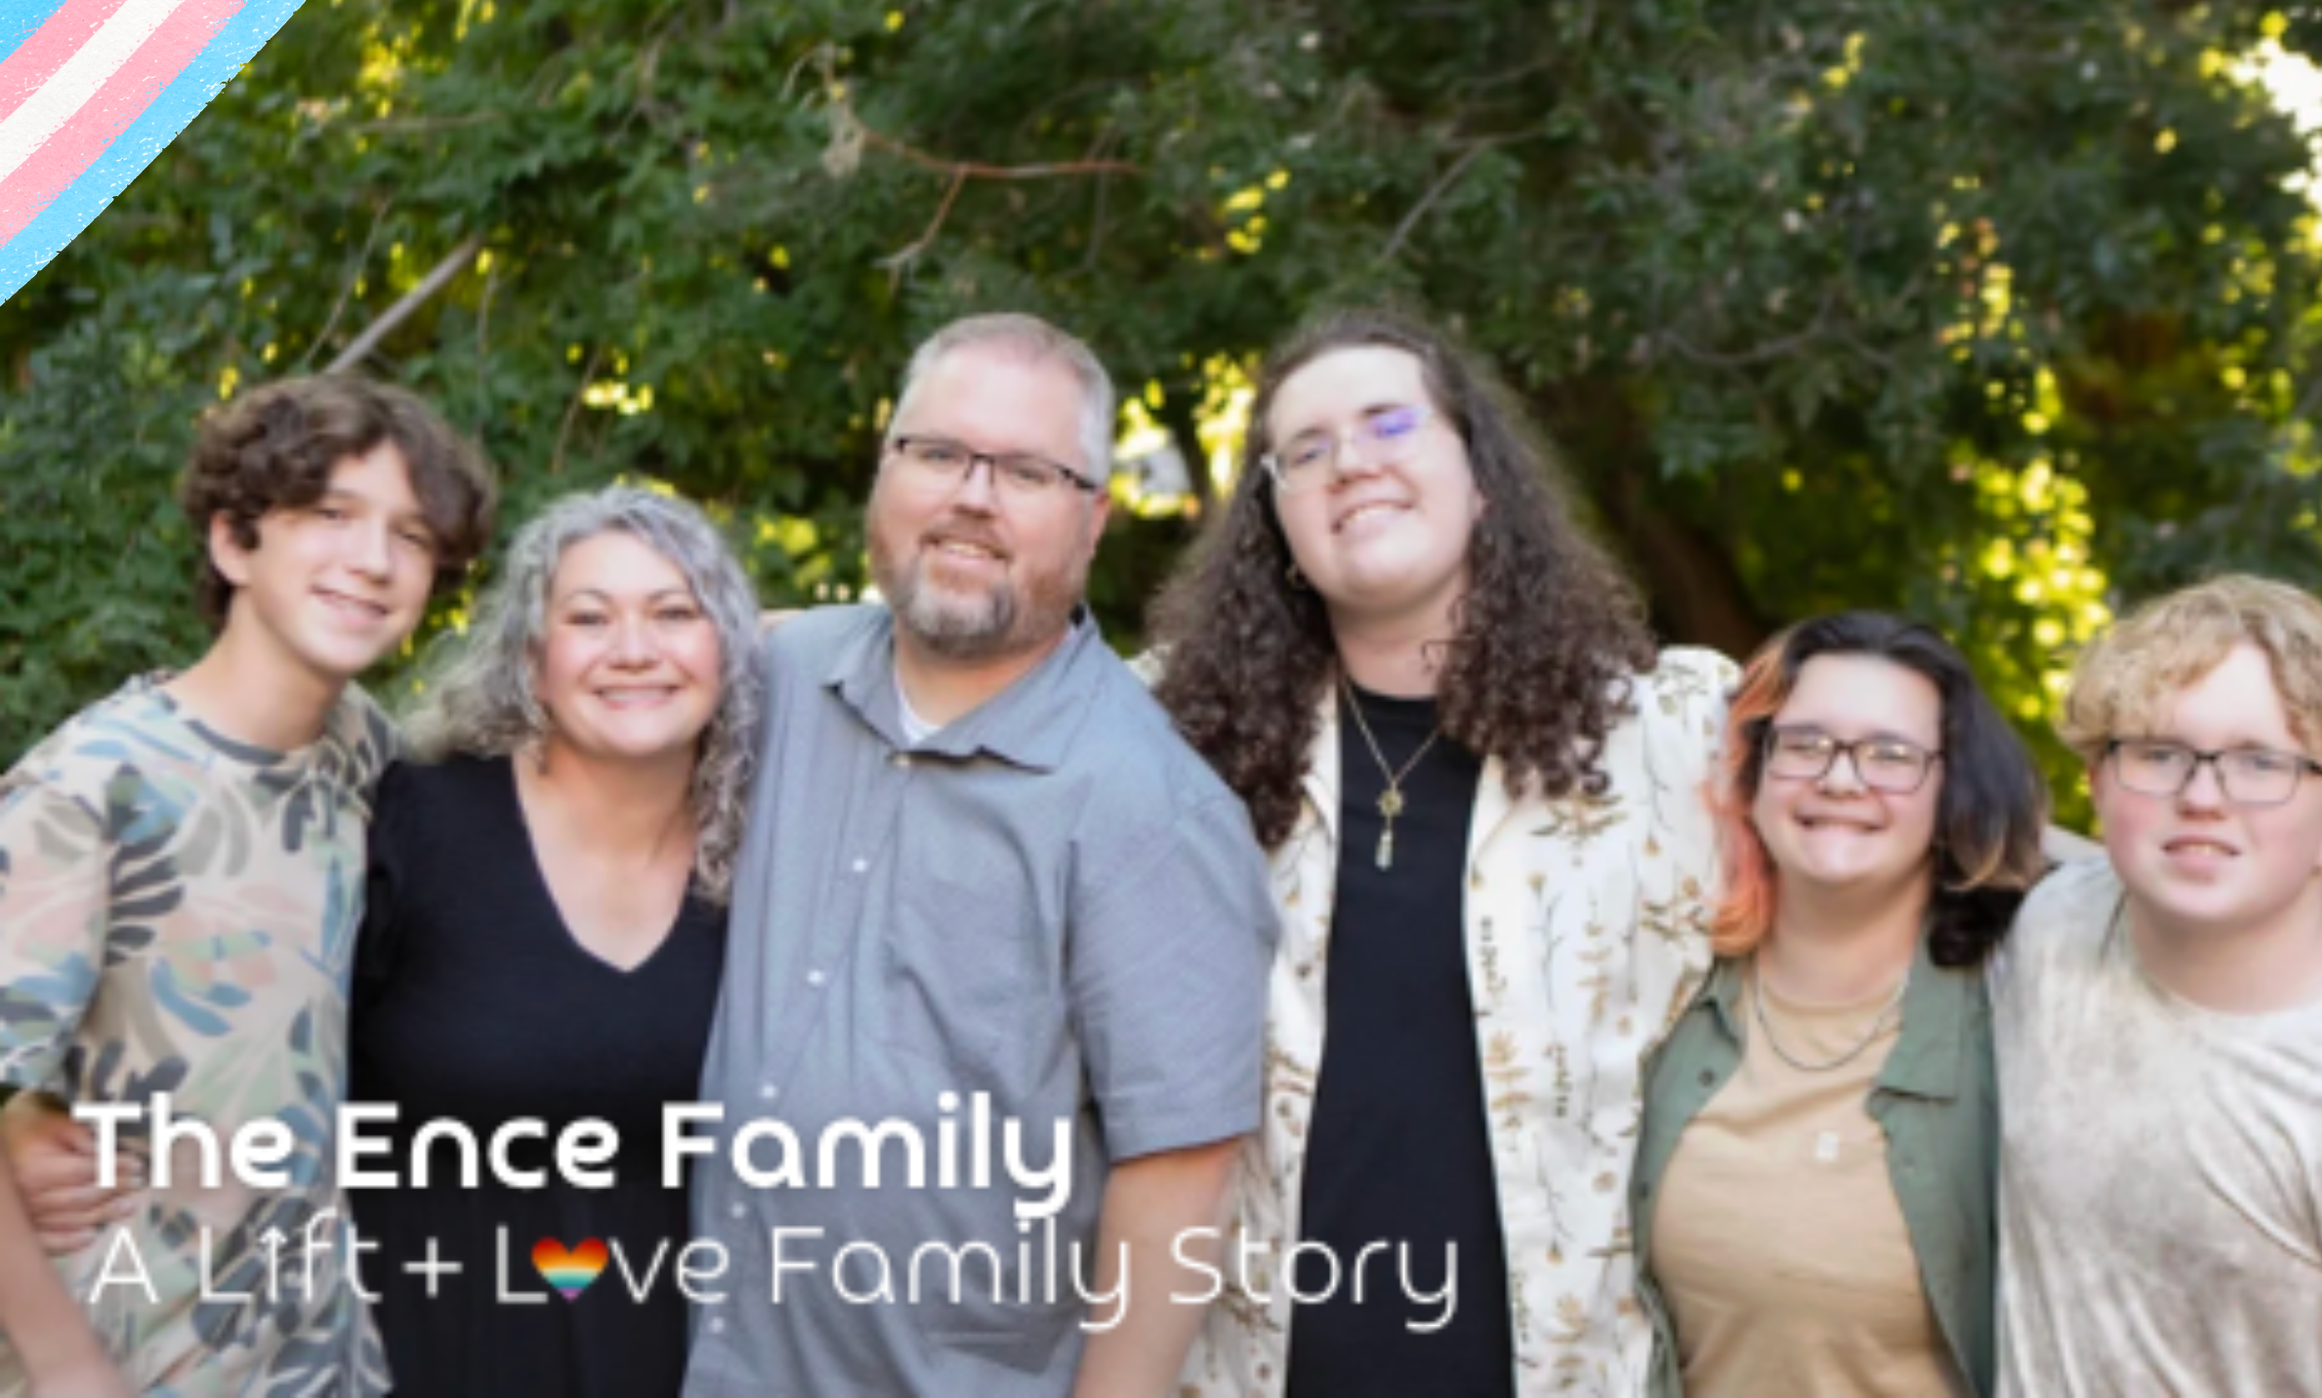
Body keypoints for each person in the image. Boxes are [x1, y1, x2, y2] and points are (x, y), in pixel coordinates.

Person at [679, 313, 1278, 1397]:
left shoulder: (1152, 809)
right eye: (940, 452)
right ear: (884, 469)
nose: (972, 496)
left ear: (1093, 519)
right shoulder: (781, 677)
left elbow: (1179, 1178)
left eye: (1027, 471)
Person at [1150, 308, 1736, 1398]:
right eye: (1305, 450)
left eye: (1388, 423)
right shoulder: (1169, 744)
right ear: (1276, 523)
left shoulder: (1673, 733)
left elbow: (1925, 828)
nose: (1350, 463)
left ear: (1481, 480)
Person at [0, 375, 495, 1396]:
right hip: (126, 1361)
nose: (374, 559)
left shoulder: (363, 751)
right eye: (331, 515)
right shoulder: (92, 788)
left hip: (317, 1364)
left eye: (410, 534)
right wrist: (64, 1366)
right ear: (234, 542)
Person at [1993, 574, 2322, 1395]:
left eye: (2261, 763)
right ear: (2099, 782)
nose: (2201, 797)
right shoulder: (2049, 925)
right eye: (2160, 754)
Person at [346, 487, 762, 1396]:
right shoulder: (416, 825)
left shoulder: (770, 864)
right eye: (589, 617)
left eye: (674, 613)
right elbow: (274, 1056)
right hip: (425, 1358)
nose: (634, 649)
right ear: (532, 662)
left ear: (729, 652)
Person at [1628, 612, 2046, 1398]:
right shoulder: (1664, 993)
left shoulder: (2021, 1018)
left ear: (1952, 792)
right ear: (1752, 775)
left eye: (1891, 755)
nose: (1842, 780)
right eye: (1805, 744)